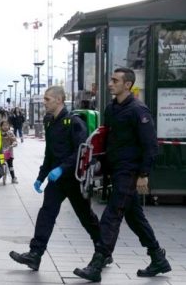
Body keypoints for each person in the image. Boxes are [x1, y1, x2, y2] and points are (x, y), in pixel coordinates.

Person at [74, 68, 171, 282]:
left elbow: (150, 145)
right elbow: (106, 138)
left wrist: (144, 174)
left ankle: (97, 263)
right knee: (134, 217)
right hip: (116, 170)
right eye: (111, 79)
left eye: (115, 80)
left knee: (112, 215)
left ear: (127, 85)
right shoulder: (111, 108)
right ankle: (158, 257)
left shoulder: (138, 110)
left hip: (130, 171)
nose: (110, 84)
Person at [9, 86, 105, 271]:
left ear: (59, 100)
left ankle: (104, 250)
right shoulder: (50, 122)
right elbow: (49, 153)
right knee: (47, 213)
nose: (44, 102)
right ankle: (35, 254)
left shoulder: (74, 123)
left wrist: (62, 168)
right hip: (57, 180)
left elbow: (81, 151)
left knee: (86, 217)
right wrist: (41, 176)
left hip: (73, 178)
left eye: (47, 99)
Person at [0, 119, 18, 184]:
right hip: (0, 152)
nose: (5, 126)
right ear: (1, 126)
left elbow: (15, 140)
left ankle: (13, 178)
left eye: (7, 125)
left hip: (9, 151)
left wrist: (13, 144)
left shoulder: (10, 133)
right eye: (3, 125)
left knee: (10, 166)